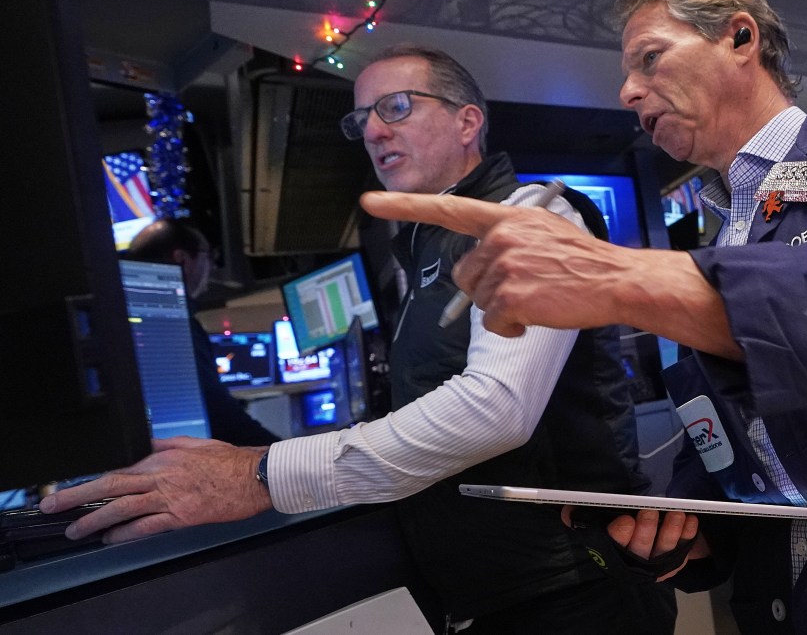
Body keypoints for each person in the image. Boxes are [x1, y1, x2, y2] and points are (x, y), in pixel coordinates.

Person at [355, 0, 807, 635]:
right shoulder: (716, 235)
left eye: (650, 58)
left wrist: (618, 278)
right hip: (804, 607)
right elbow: (744, 450)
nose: (627, 91)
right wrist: (688, 527)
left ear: (740, 37)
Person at [44, 46, 690, 633]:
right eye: (362, 121)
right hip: (497, 593)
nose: (374, 131)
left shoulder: (534, 216)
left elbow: (498, 410)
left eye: (397, 107)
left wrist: (263, 473)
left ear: (468, 122)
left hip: (574, 593)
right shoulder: (422, 251)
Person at [127, 218, 280, 447]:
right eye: (208, 256)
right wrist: (289, 456)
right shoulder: (170, 324)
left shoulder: (128, 312)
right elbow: (221, 416)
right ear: (182, 259)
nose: (213, 267)